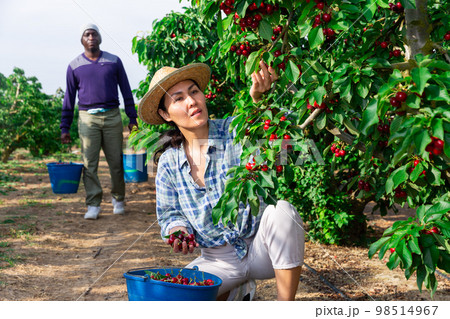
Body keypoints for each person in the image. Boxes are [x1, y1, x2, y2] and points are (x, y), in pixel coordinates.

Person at [138, 61, 305, 301]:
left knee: (283, 211)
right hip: (218, 260)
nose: (191, 101)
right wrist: (178, 231)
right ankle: (235, 290)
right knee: (176, 297)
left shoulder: (234, 130)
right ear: (165, 114)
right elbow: (170, 214)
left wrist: (259, 102)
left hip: (262, 248)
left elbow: (284, 144)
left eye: (194, 91)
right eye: (178, 98)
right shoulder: (168, 163)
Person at [60, 23, 138, 220]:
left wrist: (132, 117)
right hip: (87, 119)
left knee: (116, 162)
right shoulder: (74, 66)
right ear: (82, 40)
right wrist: (65, 127)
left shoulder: (113, 61)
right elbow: (69, 98)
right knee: (89, 164)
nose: (91, 37)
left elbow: (126, 90)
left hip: (112, 116)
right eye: (87, 34)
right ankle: (93, 204)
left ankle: (118, 199)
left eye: (94, 33)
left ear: (100, 38)